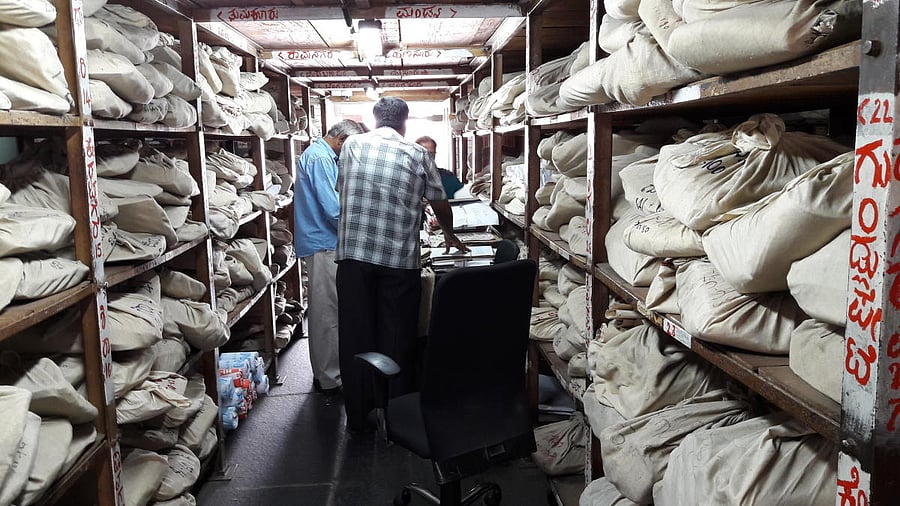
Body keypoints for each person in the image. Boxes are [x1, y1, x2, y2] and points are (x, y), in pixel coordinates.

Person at [335, 97, 468, 432]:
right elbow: (439, 200)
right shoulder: (417, 153)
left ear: (374, 119)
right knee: (397, 336)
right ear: (405, 124)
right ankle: (396, 412)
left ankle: (358, 415)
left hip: (354, 257)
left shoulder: (351, 146)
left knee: (355, 336)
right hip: (398, 260)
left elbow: (344, 187)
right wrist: (449, 233)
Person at [294, 119, 364, 393]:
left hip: (324, 242)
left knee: (329, 311)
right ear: (342, 139)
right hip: (323, 244)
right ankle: (329, 378)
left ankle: (329, 372)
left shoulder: (321, 155)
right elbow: (333, 210)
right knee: (325, 314)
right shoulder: (321, 158)